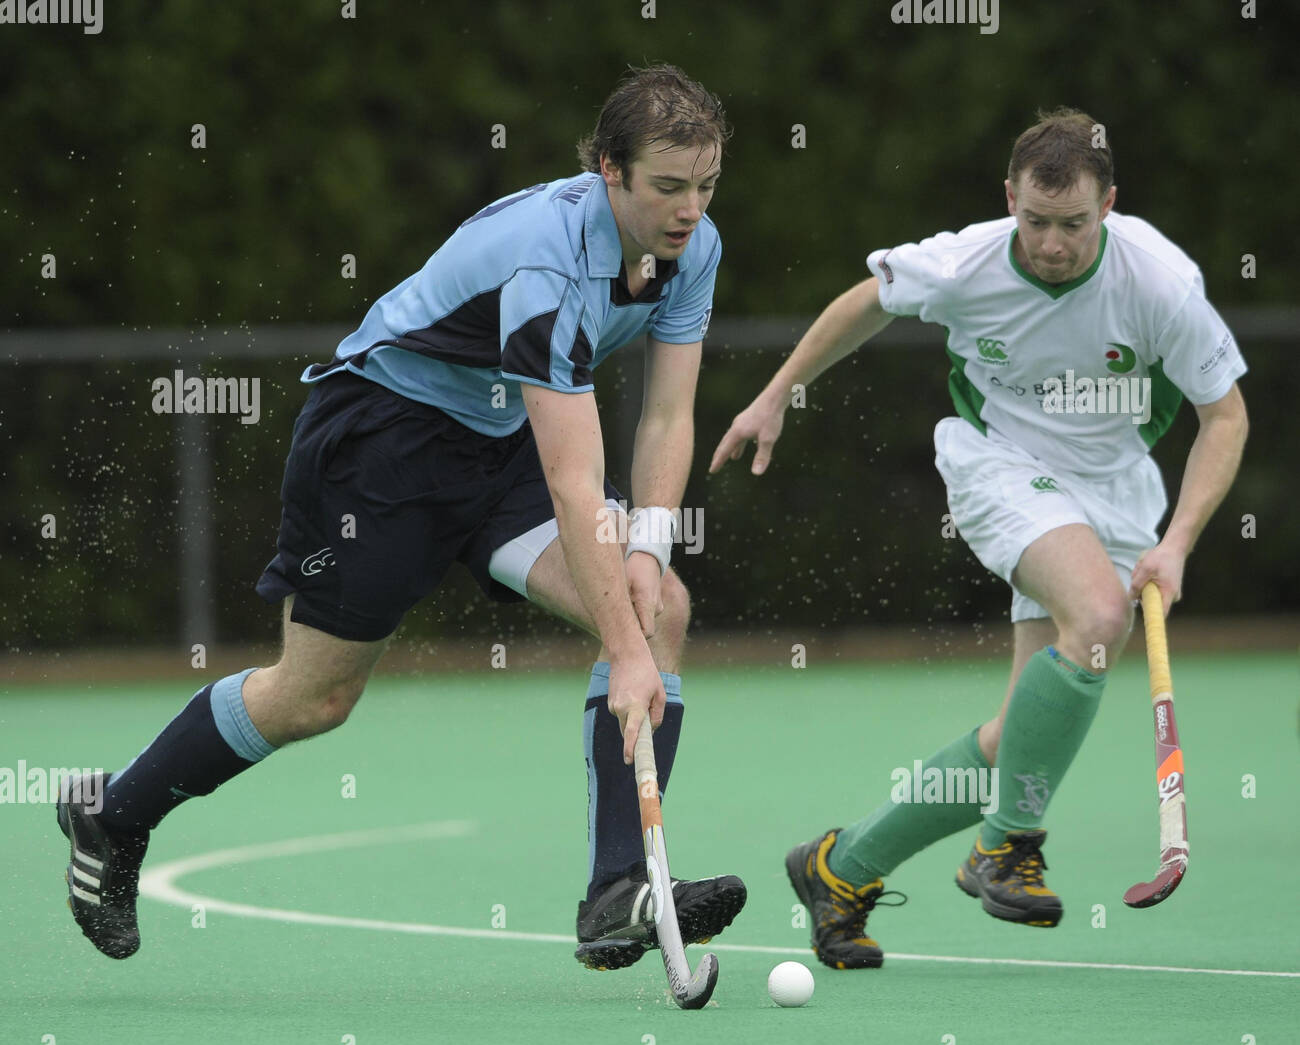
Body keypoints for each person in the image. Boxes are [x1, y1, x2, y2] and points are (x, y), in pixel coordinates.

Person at [58, 63, 746, 971]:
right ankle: (114, 817)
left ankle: (617, 891)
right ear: (610, 170)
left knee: (662, 609)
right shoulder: (548, 260)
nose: (689, 208)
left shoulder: (691, 248)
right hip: (384, 446)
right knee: (316, 698)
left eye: (705, 185)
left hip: (499, 444)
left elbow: (666, 415)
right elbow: (576, 482)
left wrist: (650, 554)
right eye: (667, 186)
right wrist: (623, 653)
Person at [709, 107, 1248, 969]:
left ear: (1109, 204)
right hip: (999, 464)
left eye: (1073, 224)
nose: (1052, 244)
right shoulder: (966, 259)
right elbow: (867, 302)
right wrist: (776, 394)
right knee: (1101, 617)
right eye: (1035, 221)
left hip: (1114, 491)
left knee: (1018, 731)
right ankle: (1009, 843)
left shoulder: (1159, 284)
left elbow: (1226, 416)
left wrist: (1178, 539)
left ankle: (840, 869)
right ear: (1010, 198)